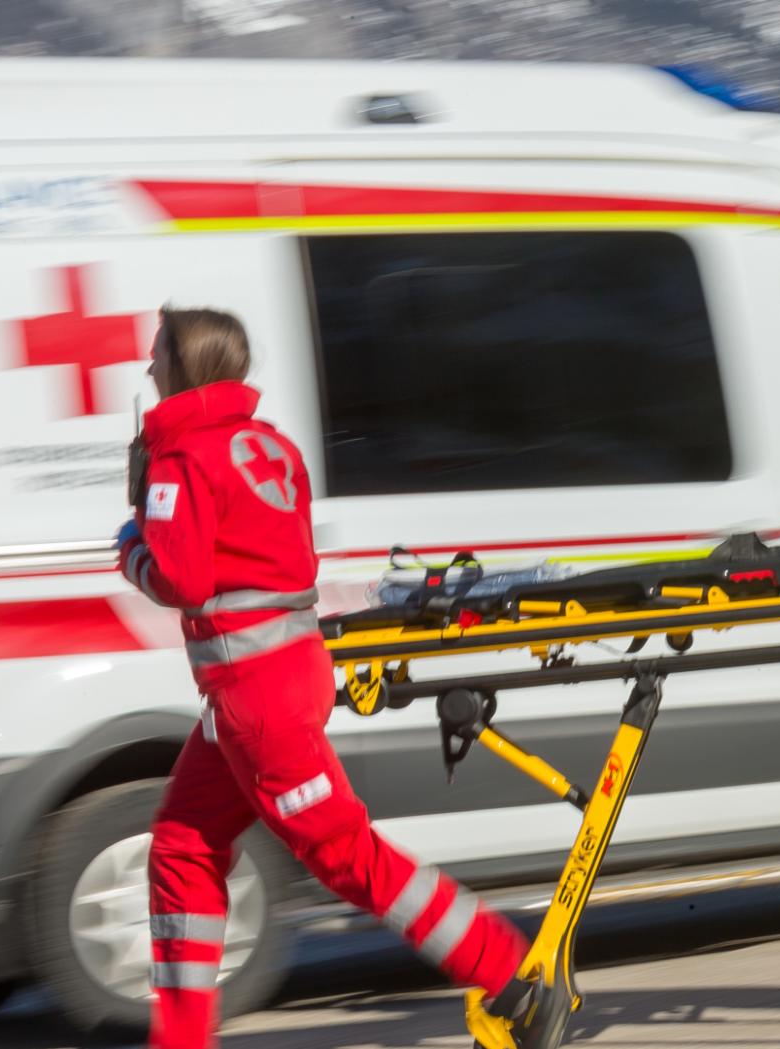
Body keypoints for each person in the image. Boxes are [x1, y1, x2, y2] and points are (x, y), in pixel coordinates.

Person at [116, 308, 534, 1048]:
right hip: (280, 679)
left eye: (156, 356)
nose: (148, 369)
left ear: (184, 366)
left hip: (254, 700)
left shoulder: (182, 459)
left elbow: (181, 576)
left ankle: (508, 967)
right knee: (182, 844)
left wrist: (132, 547)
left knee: (344, 854)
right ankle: (178, 1038)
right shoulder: (269, 445)